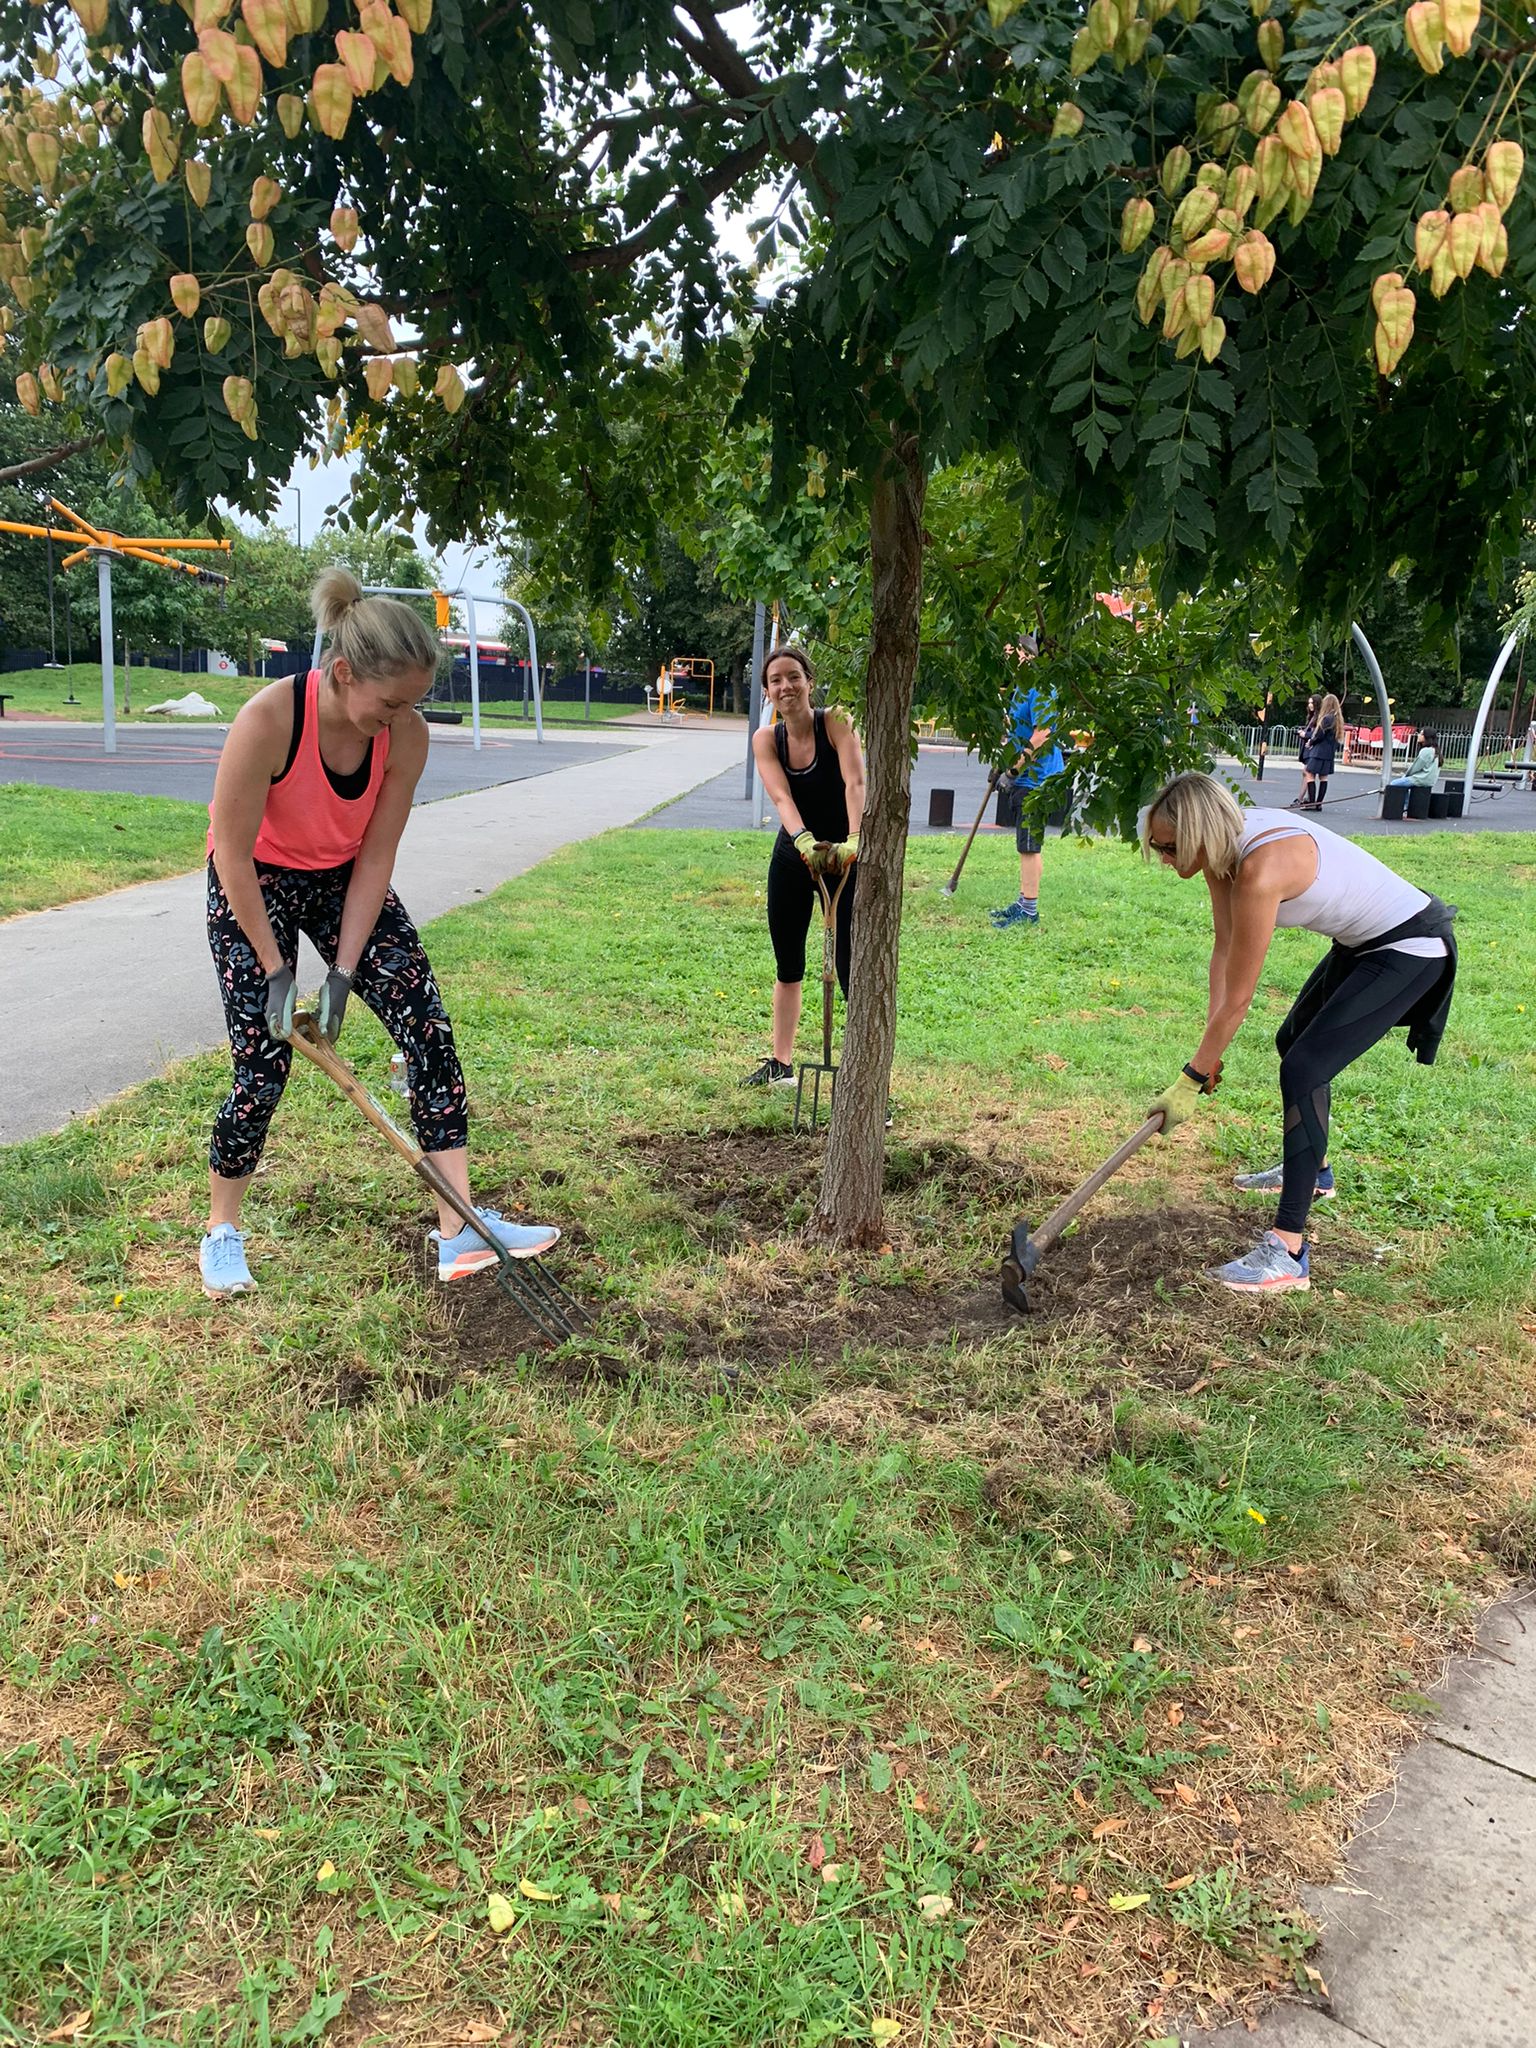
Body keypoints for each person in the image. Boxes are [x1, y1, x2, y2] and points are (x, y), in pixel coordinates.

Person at [200, 568, 559, 1298]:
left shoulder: (406, 737)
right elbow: (231, 855)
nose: (398, 718)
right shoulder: (270, 720)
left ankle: (458, 1233)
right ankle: (221, 1232)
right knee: (263, 1064)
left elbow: (376, 857)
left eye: (413, 704)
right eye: (389, 702)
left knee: (425, 1026)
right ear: (341, 673)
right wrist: (278, 971)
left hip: (342, 879)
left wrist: (340, 975)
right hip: (255, 881)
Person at [1140, 772, 1457, 1294]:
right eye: (1157, 846)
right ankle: (1315, 1173)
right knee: (1294, 1042)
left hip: (1409, 947)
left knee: (1305, 1066)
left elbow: (1242, 997)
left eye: (1170, 847)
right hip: (1359, 946)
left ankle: (1288, 1251)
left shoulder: (1261, 870)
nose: (1165, 858)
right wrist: (1208, 1052)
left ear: (1201, 834)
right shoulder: (1221, 855)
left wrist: (1193, 1077)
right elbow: (1225, 950)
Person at [741, 644, 865, 1086]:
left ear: (809, 681)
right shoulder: (765, 739)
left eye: (793, 676)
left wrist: (854, 838)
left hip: (847, 859)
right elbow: (780, 797)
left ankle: (864, 1080)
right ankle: (781, 1064)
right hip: (795, 856)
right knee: (788, 962)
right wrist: (803, 841)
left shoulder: (836, 721)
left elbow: (855, 780)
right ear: (767, 691)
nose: (785, 686)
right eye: (776, 680)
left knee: (852, 969)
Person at [990, 676, 1067, 929]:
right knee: (1027, 845)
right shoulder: (1019, 691)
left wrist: (1013, 771)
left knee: (1029, 847)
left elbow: (1042, 734)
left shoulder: (1041, 687)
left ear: (1026, 653)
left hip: (1038, 779)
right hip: (1025, 779)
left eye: (1011, 650)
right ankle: (1024, 901)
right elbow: (1016, 736)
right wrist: (1002, 764)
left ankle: (1029, 911)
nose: (1005, 655)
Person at [1296, 692, 1343, 810]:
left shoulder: (1326, 718)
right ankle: (1318, 803)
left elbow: (1319, 734)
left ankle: (1311, 803)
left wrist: (1311, 741)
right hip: (1329, 752)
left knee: (1309, 773)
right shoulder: (1337, 719)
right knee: (1323, 777)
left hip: (1319, 751)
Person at [1294, 695, 1319, 808]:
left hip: (1313, 749)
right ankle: (1304, 797)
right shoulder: (1311, 717)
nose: (1310, 705)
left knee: (1308, 772)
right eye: (1309, 703)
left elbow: (1317, 734)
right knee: (1307, 773)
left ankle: (1306, 798)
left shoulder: (1318, 718)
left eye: (1312, 703)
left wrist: (1306, 735)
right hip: (1308, 748)